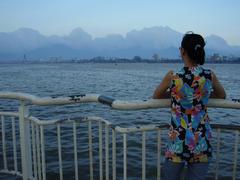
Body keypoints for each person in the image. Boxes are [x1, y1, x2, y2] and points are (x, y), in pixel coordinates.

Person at [153, 32, 226, 180]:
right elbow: (222, 95)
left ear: (182, 51)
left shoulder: (173, 76)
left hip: (178, 141)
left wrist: (175, 95)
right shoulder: (208, 75)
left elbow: (157, 95)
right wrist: (202, 96)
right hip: (201, 141)